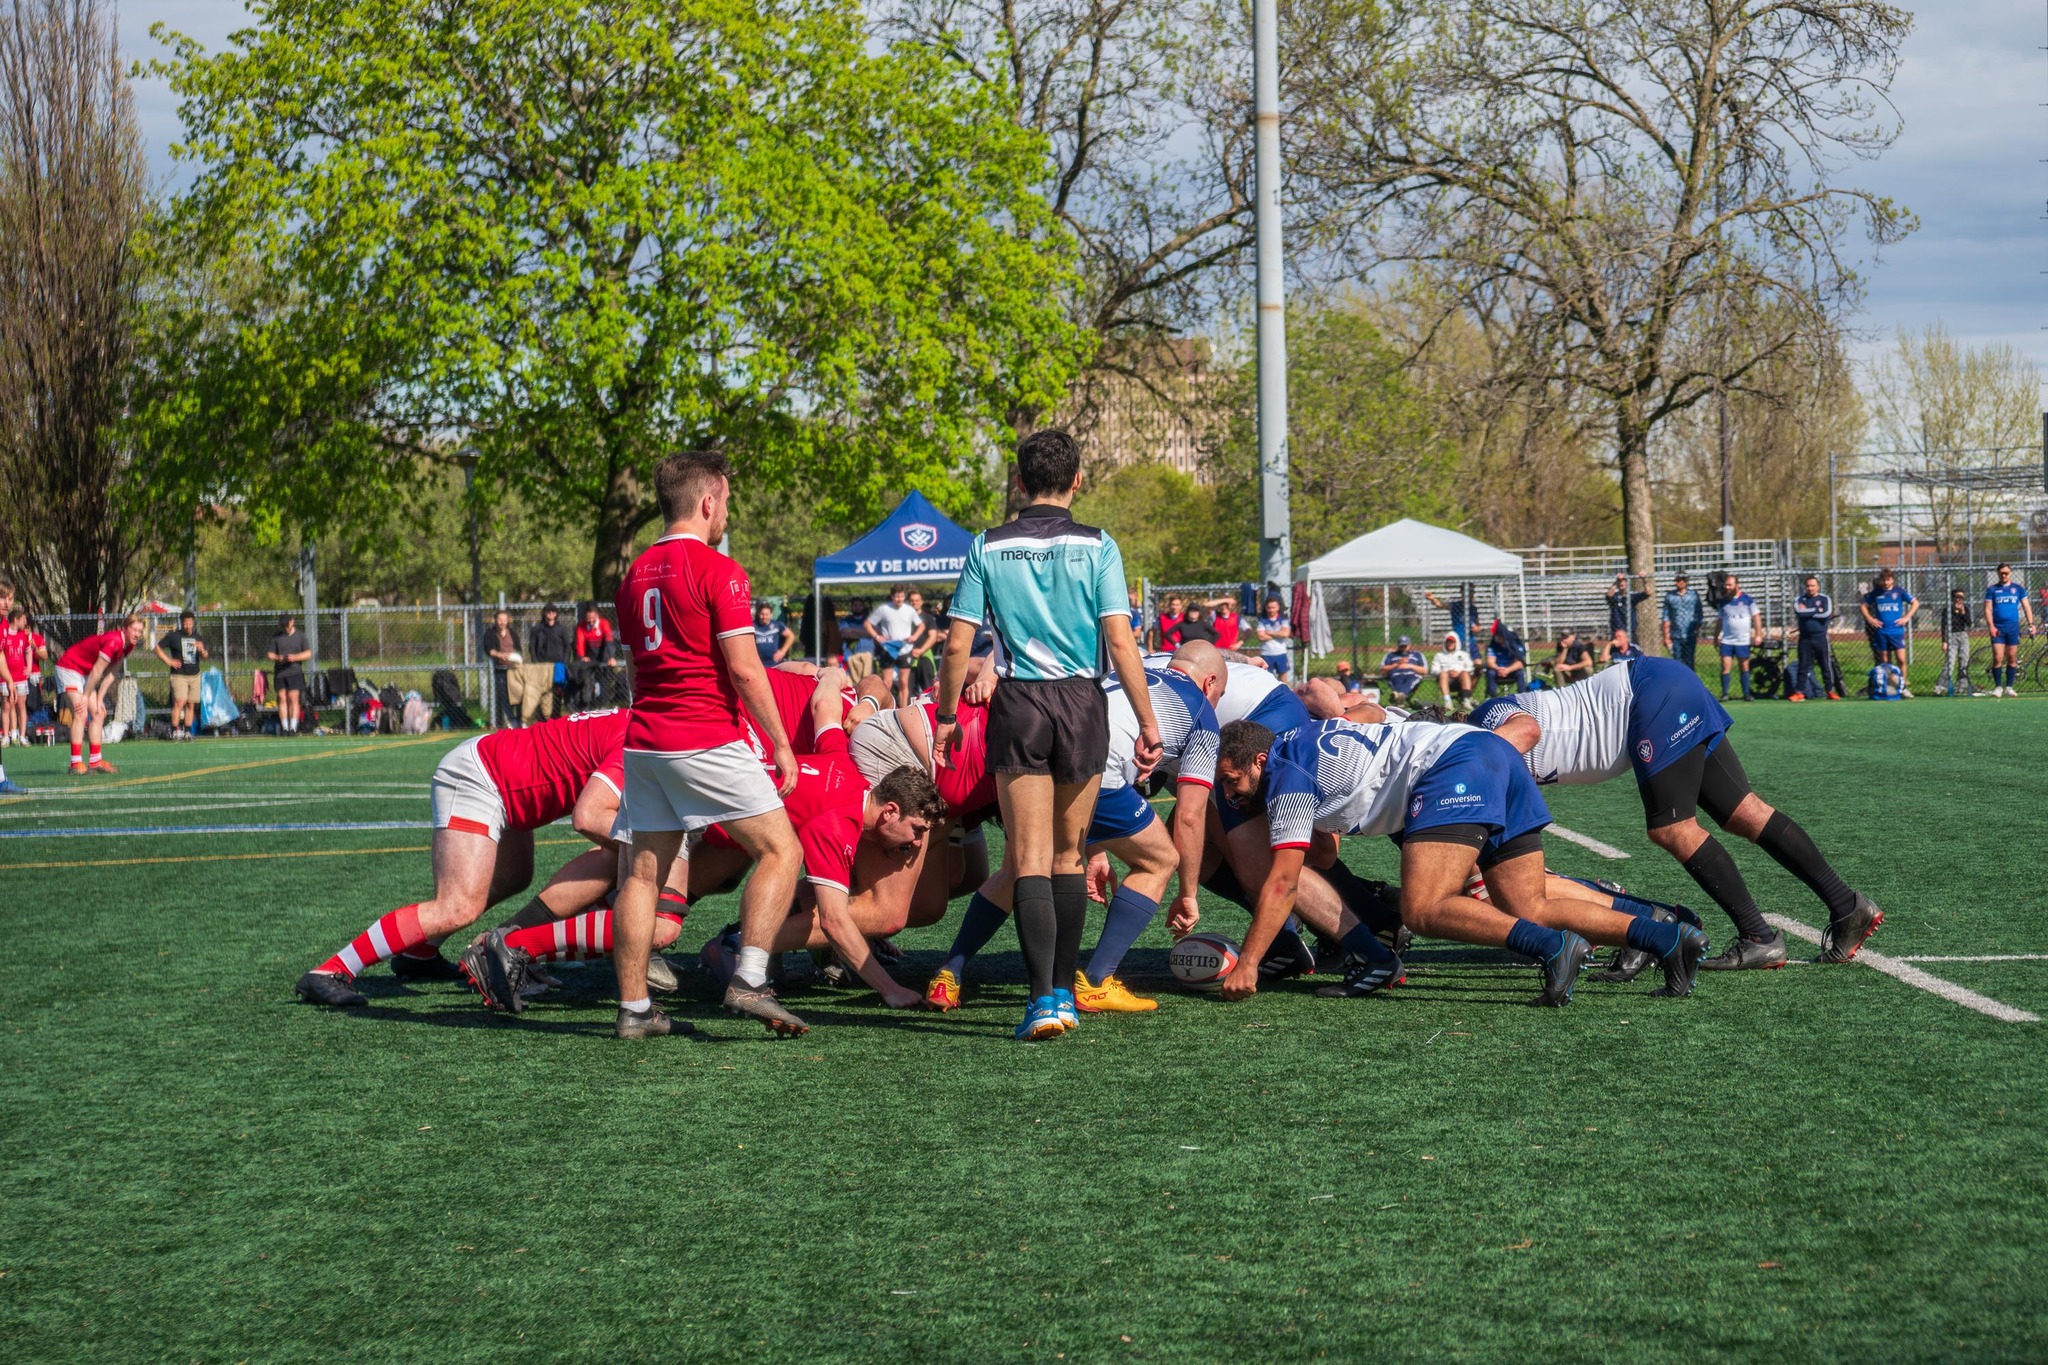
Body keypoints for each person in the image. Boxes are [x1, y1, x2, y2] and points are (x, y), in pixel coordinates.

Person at [1212, 718, 1707, 1006]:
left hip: (1453, 768)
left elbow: (1282, 884)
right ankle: (1668, 937)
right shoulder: (1300, 744)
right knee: (1527, 904)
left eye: (1232, 782)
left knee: (1425, 909)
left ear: (1259, 761)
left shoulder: (1286, 775)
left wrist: (1249, 963)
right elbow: (1318, 854)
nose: (1230, 797)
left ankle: (1555, 948)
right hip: (1489, 751)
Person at [933, 428, 1160, 1041]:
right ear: (1078, 481)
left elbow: (958, 643)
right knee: (1069, 854)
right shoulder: (1100, 546)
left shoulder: (987, 545)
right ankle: (1063, 991)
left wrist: (947, 717)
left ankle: (1040, 1003)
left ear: (1019, 481)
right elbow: (1120, 639)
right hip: (1084, 703)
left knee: (1027, 858)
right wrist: (1147, 720)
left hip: (1020, 703)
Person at [1468, 657, 1884, 969]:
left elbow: (1527, 731)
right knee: (1744, 811)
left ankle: (1758, 935)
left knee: (1671, 828)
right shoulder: (1474, 749)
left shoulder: (1480, 725)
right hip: (1659, 687)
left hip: (1649, 695)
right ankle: (1847, 905)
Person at [611, 449, 811, 1039]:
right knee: (782, 851)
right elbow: (747, 671)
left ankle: (633, 1009)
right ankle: (750, 979)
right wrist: (780, 744)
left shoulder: (634, 573)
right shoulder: (720, 570)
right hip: (703, 736)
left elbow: (633, 668)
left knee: (642, 877)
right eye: (725, 500)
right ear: (706, 502)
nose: (727, 512)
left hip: (645, 741)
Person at [929, 660, 1222, 1014]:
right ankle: (1097, 982)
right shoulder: (1204, 712)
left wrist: (1095, 851)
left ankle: (949, 973)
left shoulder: (1141, 663)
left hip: (1041, 741)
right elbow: (1189, 817)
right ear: (1209, 684)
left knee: (1016, 868)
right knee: (1159, 860)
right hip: (1094, 765)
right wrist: (1188, 893)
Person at [294, 709, 642, 1006]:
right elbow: (589, 817)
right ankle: (330, 969)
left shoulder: (641, 722)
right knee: (458, 906)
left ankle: (419, 954)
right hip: (482, 777)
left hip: (504, 779)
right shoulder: (642, 736)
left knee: (515, 875)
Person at [55, 615, 146, 776]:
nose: (137, 634)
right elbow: (97, 670)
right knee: (80, 712)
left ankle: (95, 761)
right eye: (134, 629)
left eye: (140, 630)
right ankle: (75, 763)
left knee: (99, 712)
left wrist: (99, 698)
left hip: (84, 673)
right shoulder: (115, 641)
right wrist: (85, 696)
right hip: (69, 667)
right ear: (124, 628)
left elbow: (112, 673)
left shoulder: (128, 645)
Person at [1860, 569, 1917, 696]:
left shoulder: (1899, 591)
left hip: (1896, 631)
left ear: (1892, 580)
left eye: (1888, 579)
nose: (1886, 582)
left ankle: (1902, 686)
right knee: (1885, 662)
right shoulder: (1876, 593)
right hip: (1882, 631)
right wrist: (1870, 619)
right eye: (1883, 580)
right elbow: (1863, 606)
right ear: (1880, 580)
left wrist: (1906, 617)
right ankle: (1889, 687)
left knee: (1901, 659)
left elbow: (1915, 603)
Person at [154, 610, 210, 739]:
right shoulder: (174, 636)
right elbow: (157, 648)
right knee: (179, 701)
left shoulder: (198, 637)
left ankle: (188, 731)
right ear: (181, 623)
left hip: (195, 675)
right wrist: (168, 660)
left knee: (191, 704)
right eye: (186, 623)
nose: (188, 626)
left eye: (190, 623)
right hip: (179, 675)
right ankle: (174, 730)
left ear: (193, 623)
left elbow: (206, 656)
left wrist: (202, 650)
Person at [865, 584, 922, 706]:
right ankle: (886, 708)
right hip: (888, 648)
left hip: (905, 648)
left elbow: (921, 625)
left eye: (901, 596)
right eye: (897, 596)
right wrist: (877, 636)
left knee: (903, 682)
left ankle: (903, 708)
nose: (899, 599)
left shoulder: (909, 610)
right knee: (887, 682)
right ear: (892, 596)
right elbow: (868, 624)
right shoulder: (884, 609)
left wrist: (915, 636)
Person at [1982, 563, 2033, 698]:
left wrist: (2031, 623)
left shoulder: (2018, 589)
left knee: (2011, 657)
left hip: (2013, 628)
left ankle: (2009, 687)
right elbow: (1987, 609)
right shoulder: (1992, 590)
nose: (2004, 575)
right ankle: (1998, 686)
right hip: (1998, 628)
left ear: (2010, 573)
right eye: (2002, 573)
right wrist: (1991, 626)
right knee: (1998, 657)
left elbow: (2026, 607)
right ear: (1998, 574)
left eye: (2006, 573)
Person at [2, 603, 46, 748]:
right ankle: (7, 736)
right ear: (15, 619)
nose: (25, 622)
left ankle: (21, 736)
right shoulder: (5, 633)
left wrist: (28, 668)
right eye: (23, 620)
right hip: (6, 678)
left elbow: (28, 651)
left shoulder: (24, 636)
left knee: (21, 706)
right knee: (7, 706)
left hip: (21, 678)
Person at [520, 606, 572, 724]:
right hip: (542, 666)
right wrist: (536, 662)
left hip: (558, 665)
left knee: (558, 691)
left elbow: (567, 646)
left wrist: (564, 662)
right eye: (548, 612)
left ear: (556, 614)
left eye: (553, 612)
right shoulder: (537, 629)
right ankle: (542, 719)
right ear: (544, 614)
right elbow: (532, 647)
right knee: (543, 692)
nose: (551, 614)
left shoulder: (561, 629)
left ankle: (556, 717)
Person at [1790, 576, 1837, 701]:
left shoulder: (1825, 599)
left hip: (1820, 637)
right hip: (1805, 638)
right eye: (1808, 586)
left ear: (1818, 587)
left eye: (1813, 585)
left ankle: (1830, 691)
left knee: (1825, 665)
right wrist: (1817, 610)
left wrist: (1809, 612)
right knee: (1803, 666)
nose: (1810, 588)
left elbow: (1826, 613)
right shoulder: (1799, 599)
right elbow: (1800, 612)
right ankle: (1800, 692)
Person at [1715, 575, 1760, 701]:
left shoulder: (1747, 600)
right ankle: (1725, 694)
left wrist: (1758, 634)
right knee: (1725, 665)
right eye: (1726, 585)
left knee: (1744, 666)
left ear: (1736, 585)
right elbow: (1719, 620)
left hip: (1742, 640)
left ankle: (1746, 693)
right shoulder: (1723, 601)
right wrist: (1716, 636)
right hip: (1727, 640)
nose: (1727, 587)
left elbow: (1756, 617)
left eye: (1729, 585)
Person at [267, 613, 313, 734]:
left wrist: (295, 658)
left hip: (295, 672)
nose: (285, 628)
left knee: (293, 698)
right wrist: (278, 658)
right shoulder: (276, 637)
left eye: (287, 625)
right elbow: (270, 654)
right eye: (283, 626)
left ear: (292, 622)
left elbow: (308, 653)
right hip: (281, 673)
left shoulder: (300, 636)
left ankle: (293, 727)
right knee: (282, 698)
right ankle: (285, 727)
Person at [482, 609, 519, 727]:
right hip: (500, 670)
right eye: (500, 619)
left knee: (516, 695)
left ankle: (517, 720)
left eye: (504, 620)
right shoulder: (490, 634)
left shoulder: (512, 633)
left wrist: (516, 658)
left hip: (514, 670)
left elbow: (518, 648)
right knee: (504, 697)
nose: (502, 622)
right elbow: (489, 650)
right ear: (495, 620)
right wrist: (499, 655)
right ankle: (509, 720)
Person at [1660, 573, 1704, 671]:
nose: (1677, 583)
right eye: (1676, 580)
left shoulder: (1693, 595)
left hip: (1690, 634)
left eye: (1680, 580)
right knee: (1677, 662)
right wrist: (1666, 637)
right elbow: (1666, 617)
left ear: (1685, 582)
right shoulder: (1670, 596)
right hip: (1676, 634)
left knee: (1689, 661)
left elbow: (1699, 614)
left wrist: (1697, 629)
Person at [1936, 589, 1975, 698]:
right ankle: (1941, 686)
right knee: (1949, 662)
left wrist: (1962, 612)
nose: (1959, 600)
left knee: (1964, 661)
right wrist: (1944, 641)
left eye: (1962, 598)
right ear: (1953, 598)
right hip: (1951, 637)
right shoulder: (1947, 610)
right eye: (1957, 597)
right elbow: (1943, 626)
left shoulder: (1965, 609)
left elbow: (1969, 623)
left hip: (1962, 636)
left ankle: (1961, 686)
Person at [1430, 630, 1474, 710]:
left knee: (1465, 673)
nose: (1450, 644)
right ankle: (1448, 701)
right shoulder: (1439, 656)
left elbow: (1470, 667)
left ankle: (1465, 700)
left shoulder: (1464, 654)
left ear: (1456, 643)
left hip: (1460, 679)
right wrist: (1446, 672)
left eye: (1452, 642)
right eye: (1448, 642)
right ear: (1445, 643)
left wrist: (1458, 672)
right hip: (1446, 680)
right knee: (1443, 674)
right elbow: (1434, 670)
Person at [1483, 622, 1525, 696]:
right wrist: (1498, 668)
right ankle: (1492, 696)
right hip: (1498, 670)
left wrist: (1507, 670)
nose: (1498, 637)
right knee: (1490, 673)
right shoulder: (1493, 646)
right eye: (1496, 635)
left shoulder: (1515, 646)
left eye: (1500, 635)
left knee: (1520, 673)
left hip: (1511, 670)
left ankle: (1523, 696)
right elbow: (1490, 662)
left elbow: (1519, 664)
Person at [1377, 637, 1426, 701]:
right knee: (1397, 681)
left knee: (1410, 682)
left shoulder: (1417, 655)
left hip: (1412, 676)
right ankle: (1400, 696)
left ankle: (1397, 696)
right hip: (1395, 676)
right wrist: (1397, 664)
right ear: (1398, 645)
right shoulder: (1390, 655)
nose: (1403, 648)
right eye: (1401, 646)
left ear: (1409, 645)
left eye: (1405, 646)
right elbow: (1382, 669)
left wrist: (1410, 666)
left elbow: (1424, 671)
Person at [1255, 597, 1292, 679]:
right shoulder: (1262, 620)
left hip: (1280, 652)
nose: (1271, 610)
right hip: (1266, 653)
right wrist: (1278, 634)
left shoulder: (1283, 619)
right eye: (1269, 608)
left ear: (1278, 607)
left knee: (1283, 678)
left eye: (1273, 607)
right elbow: (1260, 636)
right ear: (1266, 608)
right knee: (1267, 678)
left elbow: (1285, 634)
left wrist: (1268, 632)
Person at [752, 601, 795, 668]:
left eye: (767, 614)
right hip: (758, 665)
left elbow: (791, 636)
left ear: (771, 614)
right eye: (762, 614)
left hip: (774, 664)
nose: (764, 617)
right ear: (758, 614)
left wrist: (782, 651)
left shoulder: (777, 625)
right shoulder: (753, 626)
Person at [1606, 572, 1648, 639]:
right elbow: (1608, 595)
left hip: (1630, 631)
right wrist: (1616, 581)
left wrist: (1643, 580)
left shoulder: (1632, 597)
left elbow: (1647, 593)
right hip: (1617, 631)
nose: (1622, 584)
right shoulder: (1615, 597)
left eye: (1624, 582)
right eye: (1620, 583)